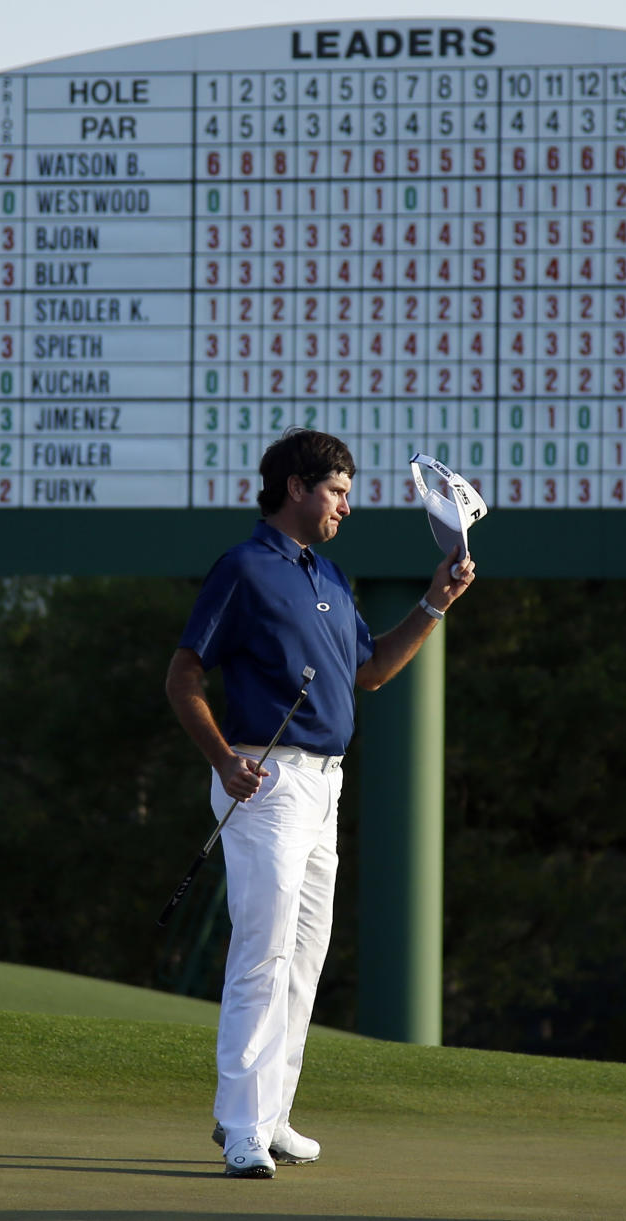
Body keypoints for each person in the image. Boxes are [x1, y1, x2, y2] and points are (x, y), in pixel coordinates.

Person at [165, 428, 476, 1179]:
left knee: (304, 959)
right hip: (264, 779)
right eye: (336, 489)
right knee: (262, 954)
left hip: (327, 784)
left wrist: (435, 603)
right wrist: (221, 758)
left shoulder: (330, 575)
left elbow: (369, 672)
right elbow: (183, 675)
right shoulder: (242, 568)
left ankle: (270, 1116)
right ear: (296, 487)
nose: (346, 503)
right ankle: (239, 1124)